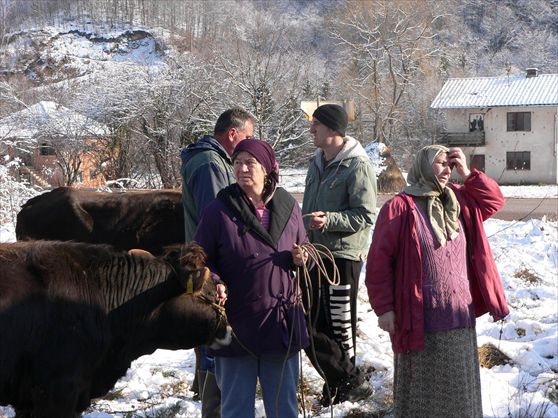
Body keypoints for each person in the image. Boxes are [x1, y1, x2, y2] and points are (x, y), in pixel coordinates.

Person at [365, 145, 510, 417]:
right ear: (422, 165)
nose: (447, 169)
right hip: (420, 319)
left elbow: (494, 201)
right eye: (440, 163)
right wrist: (384, 309)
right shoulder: (399, 207)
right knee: (423, 398)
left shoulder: (458, 200)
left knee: (460, 398)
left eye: (449, 164)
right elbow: (378, 264)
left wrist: (467, 174)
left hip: (458, 318)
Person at [194, 139, 309, 418]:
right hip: (235, 325)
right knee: (235, 409)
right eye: (237, 162)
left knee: (284, 409)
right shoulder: (218, 210)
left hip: (280, 323)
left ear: (268, 168)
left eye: (250, 163)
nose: (243, 168)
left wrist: (303, 257)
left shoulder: (288, 205)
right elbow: (199, 259)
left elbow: (307, 248)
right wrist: (215, 281)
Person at [180, 107, 255, 417]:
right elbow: (219, 220)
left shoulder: (212, 160)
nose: (250, 144)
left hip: (210, 262)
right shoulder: (211, 165)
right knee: (216, 339)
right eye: (248, 137)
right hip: (212, 266)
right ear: (233, 134)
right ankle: (215, 408)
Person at [301, 104, 377, 405]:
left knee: (339, 326)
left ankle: (344, 388)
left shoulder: (357, 166)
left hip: (343, 257)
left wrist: (330, 220)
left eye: (316, 124)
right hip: (315, 255)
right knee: (312, 324)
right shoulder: (316, 162)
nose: (311, 130)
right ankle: (344, 380)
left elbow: (365, 214)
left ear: (333, 129)